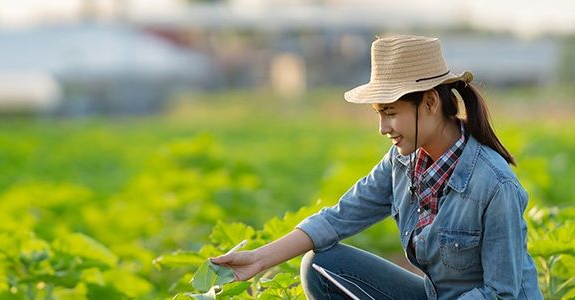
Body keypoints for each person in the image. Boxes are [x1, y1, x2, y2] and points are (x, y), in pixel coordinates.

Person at [209, 35, 542, 299]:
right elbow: (339, 217)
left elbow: (501, 294)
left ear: (429, 102)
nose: (383, 128)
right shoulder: (403, 162)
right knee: (322, 265)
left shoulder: (494, 185)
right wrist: (259, 259)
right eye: (379, 114)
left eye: (391, 112)